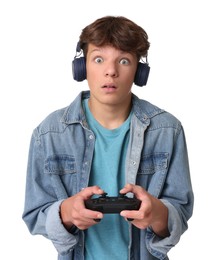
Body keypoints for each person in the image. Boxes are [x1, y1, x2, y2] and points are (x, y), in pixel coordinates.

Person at [22, 16, 194, 260]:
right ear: (82, 67)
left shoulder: (167, 130)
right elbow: (34, 214)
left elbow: (180, 211)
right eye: (99, 59)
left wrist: (157, 213)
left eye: (124, 61)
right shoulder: (48, 134)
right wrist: (67, 212)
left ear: (139, 71)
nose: (111, 71)